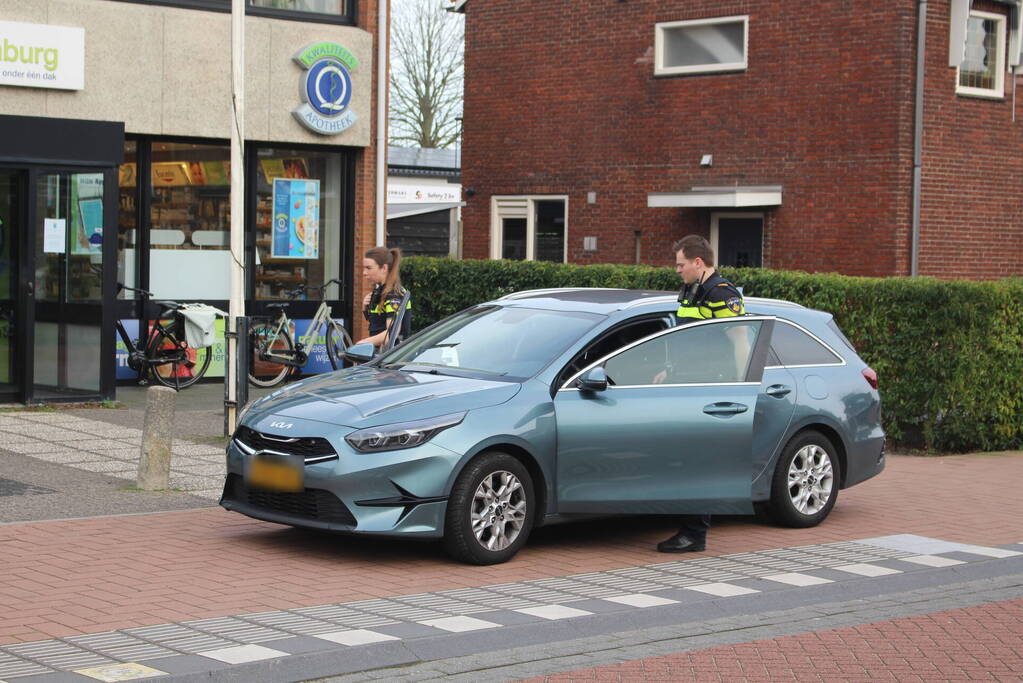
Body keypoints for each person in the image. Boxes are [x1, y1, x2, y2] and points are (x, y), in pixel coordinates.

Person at [657, 234, 745, 554]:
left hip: (709, 387)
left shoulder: (721, 293)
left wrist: (737, 384)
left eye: (681, 264)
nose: (677, 270)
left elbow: (739, 341)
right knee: (684, 458)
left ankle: (695, 532)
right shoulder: (691, 290)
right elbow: (689, 338)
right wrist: (671, 370)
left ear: (697, 262)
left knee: (697, 460)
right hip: (687, 383)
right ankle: (690, 524)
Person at [357, 246, 412, 350]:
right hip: (382, 355)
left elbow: (392, 334)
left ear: (384, 268)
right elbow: (376, 324)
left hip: (391, 358)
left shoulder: (393, 294)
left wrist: (362, 343)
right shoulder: (380, 291)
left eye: (369, 268)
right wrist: (365, 307)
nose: (364, 273)